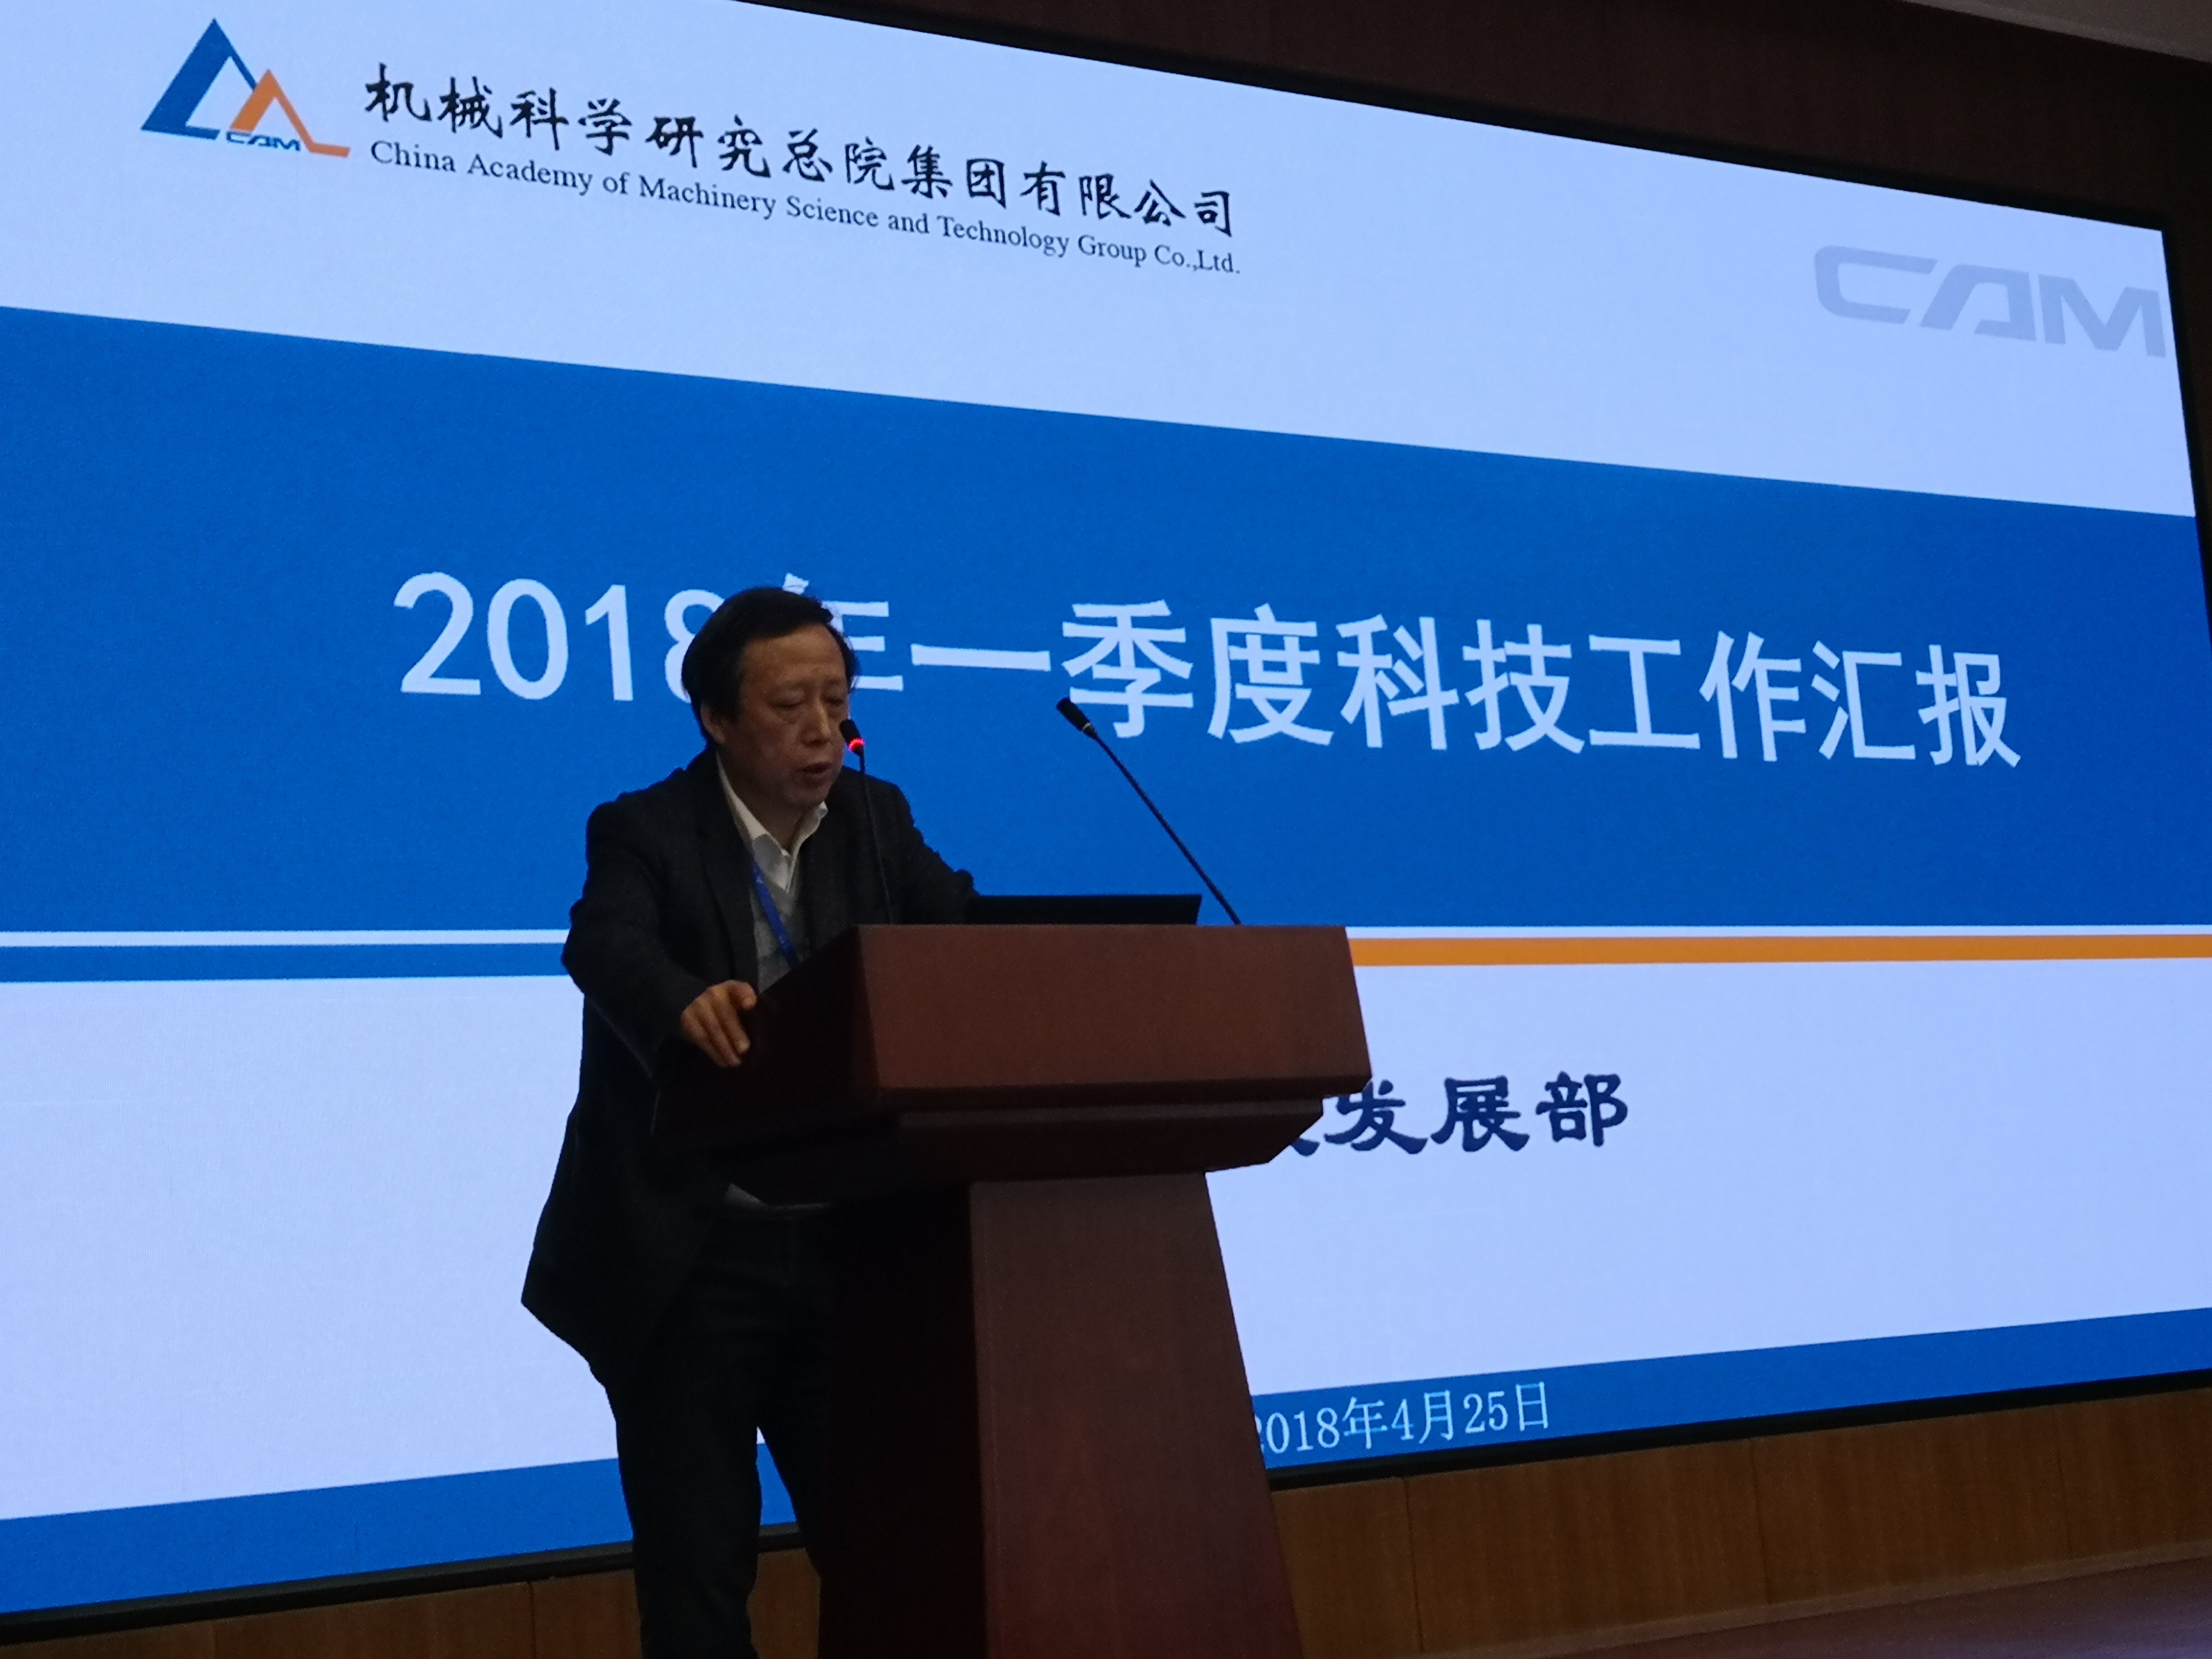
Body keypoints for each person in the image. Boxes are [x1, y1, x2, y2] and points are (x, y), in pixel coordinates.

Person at [522, 586, 974, 1658]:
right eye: (789, 706)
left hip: (846, 1251)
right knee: (699, 1578)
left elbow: (961, 933)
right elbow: (604, 942)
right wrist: (679, 1001)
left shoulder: (876, 818)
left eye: (837, 701)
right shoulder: (645, 828)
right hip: (691, 1257)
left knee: (888, 1560)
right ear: (717, 718)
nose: (823, 730)